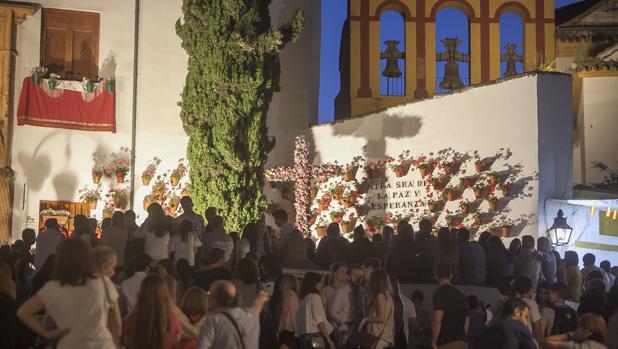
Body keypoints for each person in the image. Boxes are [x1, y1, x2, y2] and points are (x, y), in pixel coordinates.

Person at [18, 238, 121, 349]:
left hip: (70, 344)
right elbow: (117, 323)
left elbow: (23, 312)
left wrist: (46, 333)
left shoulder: (53, 288)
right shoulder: (103, 282)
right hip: (103, 344)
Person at [196, 280, 269, 349]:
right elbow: (257, 306)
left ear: (215, 298)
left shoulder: (212, 322)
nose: (207, 296)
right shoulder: (252, 316)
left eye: (209, 293)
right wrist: (262, 297)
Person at [124, 274, 181, 349]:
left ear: (141, 294)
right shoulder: (172, 320)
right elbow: (177, 340)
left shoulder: (132, 319)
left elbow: (127, 342)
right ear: (165, 294)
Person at [432, 263, 469, 349]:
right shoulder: (462, 295)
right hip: (462, 342)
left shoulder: (440, 293)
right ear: (451, 276)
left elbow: (437, 320)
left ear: (436, 276)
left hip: (446, 342)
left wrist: (433, 342)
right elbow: (466, 323)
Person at [295, 272, 336, 349]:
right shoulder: (314, 297)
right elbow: (319, 320)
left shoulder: (303, 299)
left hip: (304, 336)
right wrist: (329, 340)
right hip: (315, 337)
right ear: (313, 283)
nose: (322, 284)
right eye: (320, 282)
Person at [358, 269, 395, 349]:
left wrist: (366, 319)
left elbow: (381, 318)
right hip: (384, 337)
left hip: (379, 337)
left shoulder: (380, 296)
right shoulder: (387, 296)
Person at [321, 262, 352, 346]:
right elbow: (323, 310)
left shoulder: (348, 290)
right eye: (341, 271)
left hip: (346, 328)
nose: (344, 274)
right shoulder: (326, 290)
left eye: (346, 272)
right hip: (331, 328)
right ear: (334, 273)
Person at [512, 275, 544, 347]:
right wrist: (541, 345)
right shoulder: (531, 303)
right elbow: (537, 327)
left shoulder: (510, 302)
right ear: (530, 290)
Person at [273, 274, 299, 348]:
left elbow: (284, 311)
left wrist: (278, 329)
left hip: (285, 328)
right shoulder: (294, 294)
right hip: (293, 328)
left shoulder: (286, 293)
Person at [391, 275, 417, 349]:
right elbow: (414, 325)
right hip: (403, 338)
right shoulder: (408, 302)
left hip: (394, 340)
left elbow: (397, 326)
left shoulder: (394, 302)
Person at [415, 219, 436, 283]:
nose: (431, 229)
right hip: (418, 267)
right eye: (429, 226)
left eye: (430, 226)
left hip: (431, 268)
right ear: (422, 227)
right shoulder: (415, 237)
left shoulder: (433, 238)